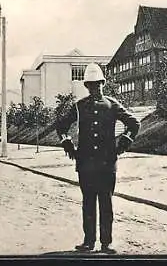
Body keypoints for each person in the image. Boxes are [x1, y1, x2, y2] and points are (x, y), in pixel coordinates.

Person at [55, 63, 140, 254]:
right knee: (88, 203)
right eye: (91, 85)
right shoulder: (79, 106)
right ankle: (88, 241)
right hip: (85, 164)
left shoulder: (112, 105)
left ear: (103, 83)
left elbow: (135, 123)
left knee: (106, 203)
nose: (95, 88)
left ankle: (106, 242)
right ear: (87, 86)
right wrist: (67, 143)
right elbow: (60, 126)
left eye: (98, 84)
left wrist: (123, 144)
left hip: (106, 164)